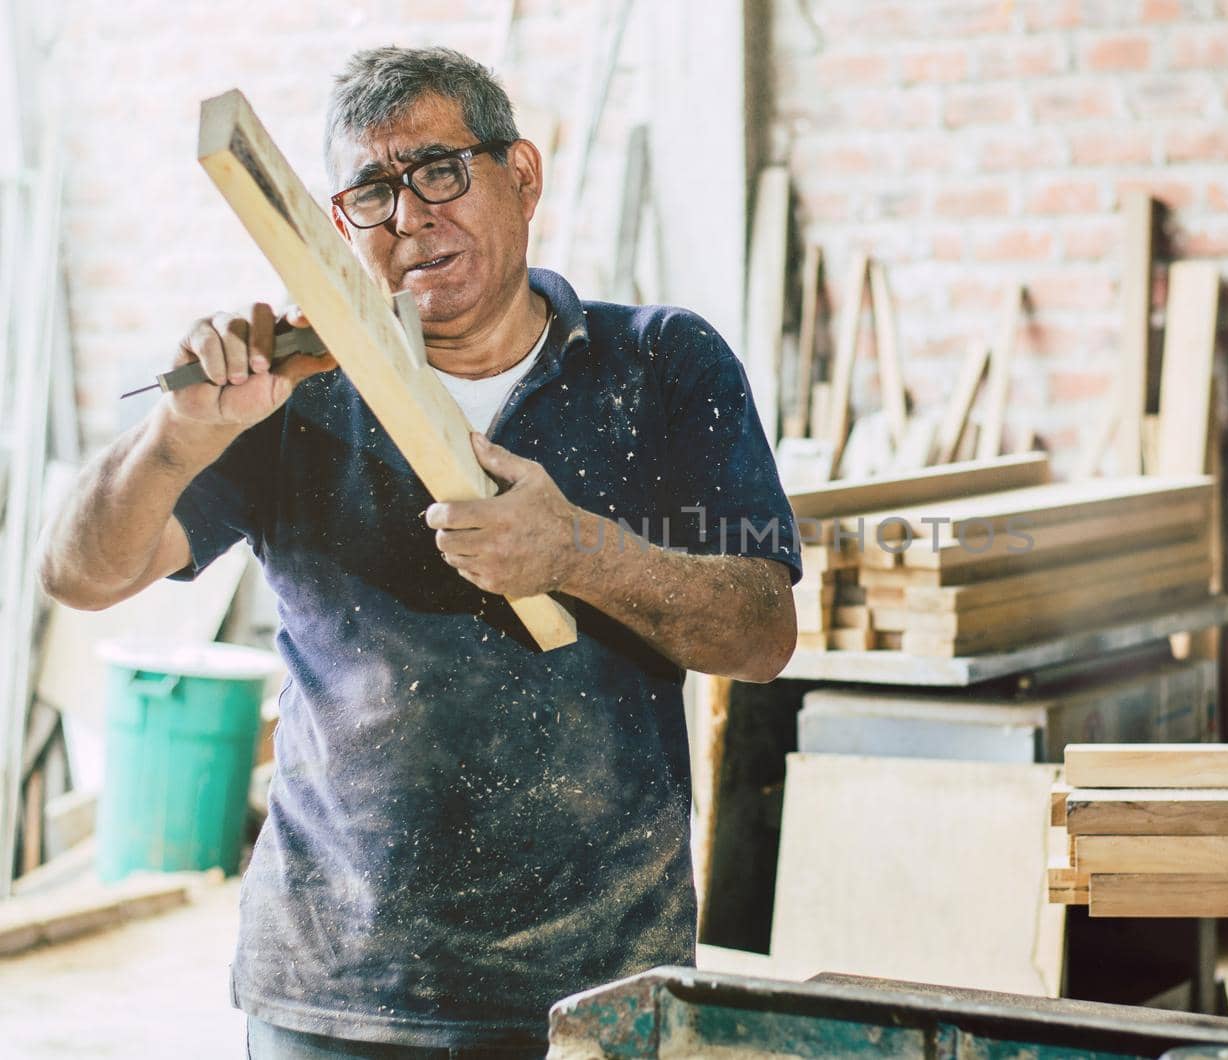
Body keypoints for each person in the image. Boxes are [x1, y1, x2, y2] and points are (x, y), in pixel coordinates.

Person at [41, 45, 799, 1058]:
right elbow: (79, 574)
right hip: (336, 987)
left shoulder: (661, 364)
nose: (408, 218)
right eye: (371, 192)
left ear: (521, 175)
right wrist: (178, 437)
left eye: (439, 171)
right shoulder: (286, 390)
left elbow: (760, 633)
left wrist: (572, 548)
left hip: (602, 985)